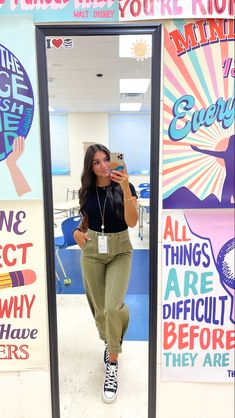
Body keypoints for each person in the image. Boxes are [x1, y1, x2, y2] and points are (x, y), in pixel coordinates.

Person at [73, 143, 138, 403]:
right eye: (97, 162)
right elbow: (86, 220)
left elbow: (132, 222)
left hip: (121, 249)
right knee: (99, 308)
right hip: (92, 250)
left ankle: (112, 363)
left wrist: (125, 187)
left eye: (106, 159)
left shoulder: (124, 187)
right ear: (90, 166)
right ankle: (110, 342)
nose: (103, 165)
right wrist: (77, 232)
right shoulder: (86, 191)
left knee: (113, 308)